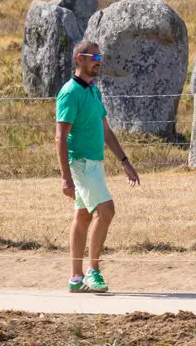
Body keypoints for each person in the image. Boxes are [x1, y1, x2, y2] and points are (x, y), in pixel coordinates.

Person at [56, 41, 140, 294]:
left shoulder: (94, 90)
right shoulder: (70, 93)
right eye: (95, 56)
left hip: (94, 163)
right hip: (80, 163)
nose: (99, 61)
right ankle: (93, 271)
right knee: (107, 210)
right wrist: (65, 178)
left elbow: (105, 130)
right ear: (79, 59)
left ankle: (75, 278)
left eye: (100, 56)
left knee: (83, 216)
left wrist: (125, 162)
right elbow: (60, 136)